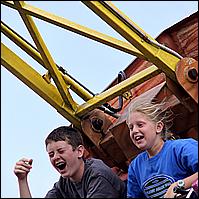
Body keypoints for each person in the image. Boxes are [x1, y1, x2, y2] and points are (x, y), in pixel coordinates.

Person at [14, 126, 126, 198]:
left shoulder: (97, 174)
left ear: (79, 151)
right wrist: (22, 180)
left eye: (61, 151)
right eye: (51, 154)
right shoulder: (63, 184)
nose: (55, 157)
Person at [125, 99, 198, 198]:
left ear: (158, 127)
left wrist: (177, 185)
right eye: (131, 128)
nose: (134, 131)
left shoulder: (181, 148)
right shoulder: (135, 167)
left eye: (140, 125)